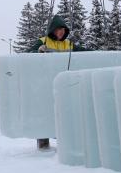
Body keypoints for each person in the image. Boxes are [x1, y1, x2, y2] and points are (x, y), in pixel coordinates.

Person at [30, 15, 86, 150]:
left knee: (64, 112)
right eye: (58, 29)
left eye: (63, 30)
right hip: (46, 83)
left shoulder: (68, 44)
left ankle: (65, 144)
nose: (61, 32)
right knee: (45, 111)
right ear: (53, 30)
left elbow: (85, 52)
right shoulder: (43, 41)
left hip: (65, 84)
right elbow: (28, 54)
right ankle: (43, 144)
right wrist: (37, 51)